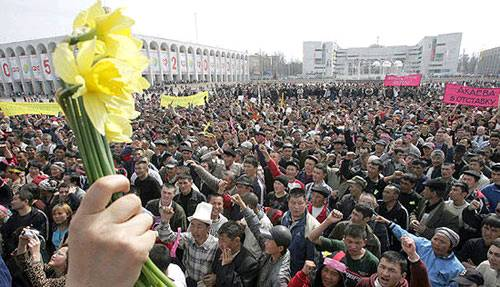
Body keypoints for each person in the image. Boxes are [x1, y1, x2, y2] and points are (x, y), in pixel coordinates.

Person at [377, 215, 465, 287]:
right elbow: (404, 235)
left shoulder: (457, 269)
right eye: (435, 239)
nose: (436, 243)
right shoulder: (424, 245)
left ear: (450, 247)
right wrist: (388, 222)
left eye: (442, 242)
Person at [233, 193, 292, 287]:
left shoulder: (280, 278)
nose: (265, 242)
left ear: (280, 248)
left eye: (269, 241)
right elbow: (256, 226)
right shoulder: (272, 252)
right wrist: (243, 206)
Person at [157, 202, 218, 287]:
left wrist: (216, 277)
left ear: (208, 228)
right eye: (192, 225)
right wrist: (165, 220)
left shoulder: (216, 245)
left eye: (199, 227)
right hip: (188, 281)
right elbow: (166, 236)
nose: (195, 230)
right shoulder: (188, 238)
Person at [309, 215, 379, 287]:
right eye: (349, 242)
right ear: (344, 239)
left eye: (357, 243)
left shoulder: (372, 262)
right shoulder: (339, 246)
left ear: (365, 242)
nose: (353, 246)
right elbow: (312, 238)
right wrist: (328, 221)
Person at [356, 236, 431, 287]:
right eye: (382, 267)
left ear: (403, 276)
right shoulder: (364, 283)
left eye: (392, 270)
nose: (385, 273)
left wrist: (413, 255)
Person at [206, 221, 259, 287]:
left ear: (236, 241)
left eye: (223, 240)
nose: (220, 244)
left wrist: (227, 265)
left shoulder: (250, 264)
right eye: (219, 239)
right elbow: (215, 271)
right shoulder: (221, 250)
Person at [281, 188, 319, 276]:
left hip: (298, 273)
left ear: (306, 203)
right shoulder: (285, 216)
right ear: (288, 203)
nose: (296, 207)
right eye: (293, 203)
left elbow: (312, 259)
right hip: (282, 268)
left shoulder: (313, 226)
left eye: (300, 203)